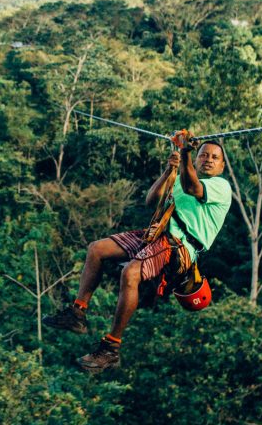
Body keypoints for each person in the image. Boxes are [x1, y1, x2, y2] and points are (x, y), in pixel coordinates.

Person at [43, 129, 232, 373]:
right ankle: (77, 312)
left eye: (214, 157)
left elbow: (194, 187)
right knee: (97, 250)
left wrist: (185, 151)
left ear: (222, 166)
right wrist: (169, 171)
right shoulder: (182, 177)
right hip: (156, 234)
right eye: (203, 155)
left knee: (130, 274)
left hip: (179, 246)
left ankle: (111, 348)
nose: (208, 159)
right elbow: (152, 201)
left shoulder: (220, 186)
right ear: (196, 159)